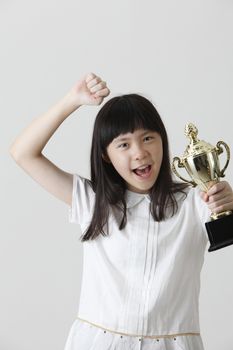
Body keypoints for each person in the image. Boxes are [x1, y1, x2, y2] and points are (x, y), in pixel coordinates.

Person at [9, 72, 233, 350]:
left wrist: (226, 202)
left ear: (163, 141)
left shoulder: (194, 202)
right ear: (106, 155)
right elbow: (23, 153)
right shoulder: (92, 201)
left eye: (148, 138)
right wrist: (72, 101)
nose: (139, 152)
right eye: (124, 144)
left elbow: (222, 217)